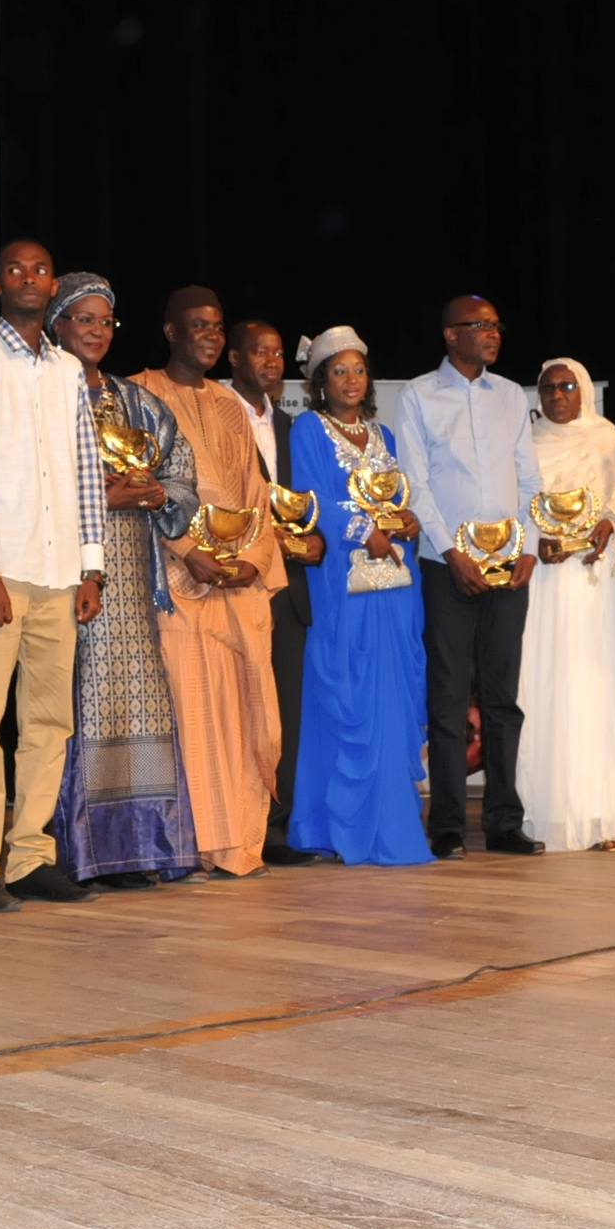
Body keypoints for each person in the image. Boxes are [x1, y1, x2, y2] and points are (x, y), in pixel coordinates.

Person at [0, 239, 107, 910]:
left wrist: (92, 567)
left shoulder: (68, 369)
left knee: (48, 723)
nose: (28, 278)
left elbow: (87, 470)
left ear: (53, 284)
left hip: (61, 570)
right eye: (15, 269)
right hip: (2, 571)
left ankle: (31, 857)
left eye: (39, 270)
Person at [45, 272, 202, 888]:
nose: (96, 331)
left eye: (105, 321)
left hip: (134, 580)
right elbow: (27, 477)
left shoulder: (137, 401)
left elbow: (180, 469)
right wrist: (98, 497)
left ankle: (139, 846)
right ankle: (82, 852)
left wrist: (159, 492)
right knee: (79, 701)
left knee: (140, 703)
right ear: (56, 325)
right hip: (66, 572)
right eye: (83, 319)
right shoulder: (42, 395)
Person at [133, 289, 287, 878]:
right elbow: (138, 488)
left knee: (241, 713)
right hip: (175, 583)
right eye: (198, 326)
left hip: (235, 584)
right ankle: (187, 846)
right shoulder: (140, 394)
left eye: (218, 327)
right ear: (170, 330)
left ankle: (237, 845)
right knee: (190, 713)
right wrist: (188, 553)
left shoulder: (228, 405)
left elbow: (254, 491)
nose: (211, 336)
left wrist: (253, 559)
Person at [396, 295, 545, 857]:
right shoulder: (418, 395)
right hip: (446, 567)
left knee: (504, 698)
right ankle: (449, 825)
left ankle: (504, 822)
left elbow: (528, 478)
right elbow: (415, 483)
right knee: (449, 699)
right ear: (450, 334)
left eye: (495, 325)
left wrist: (529, 547)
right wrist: (449, 552)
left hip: (509, 566)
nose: (492, 333)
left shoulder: (510, 396)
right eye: (479, 325)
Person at [285, 327, 429, 864]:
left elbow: (395, 493)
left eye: (359, 370)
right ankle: (333, 828)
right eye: (339, 371)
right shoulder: (308, 428)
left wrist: (405, 518)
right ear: (320, 382)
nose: (351, 380)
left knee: (389, 691)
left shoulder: (383, 434)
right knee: (344, 694)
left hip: (391, 584)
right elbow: (311, 496)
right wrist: (363, 529)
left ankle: (390, 822)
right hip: (341, 582)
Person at [517, 357, 615, 850]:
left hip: (594, 584)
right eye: (548, 388)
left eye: (567, 386)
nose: (557, 396)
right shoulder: (525, 442)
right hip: (545, 585)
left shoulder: (604, 436)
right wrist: (534, 539)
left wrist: (609, 525)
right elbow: (516, 506)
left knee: (596, 689)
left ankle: (604, 813)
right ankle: (549, 809)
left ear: (583, 392)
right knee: (548, 685)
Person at [227, 318, 323, 866]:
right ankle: (235, 824)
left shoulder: (291, 426)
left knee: (283, 711)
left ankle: (275, 832)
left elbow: (308, 501)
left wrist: (315, 540)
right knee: (237, 710)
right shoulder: (217, 415)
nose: (271, 362)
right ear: (234, 359)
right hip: (237, 582)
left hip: (290, 589)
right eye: (260, 352)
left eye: (278, 353)